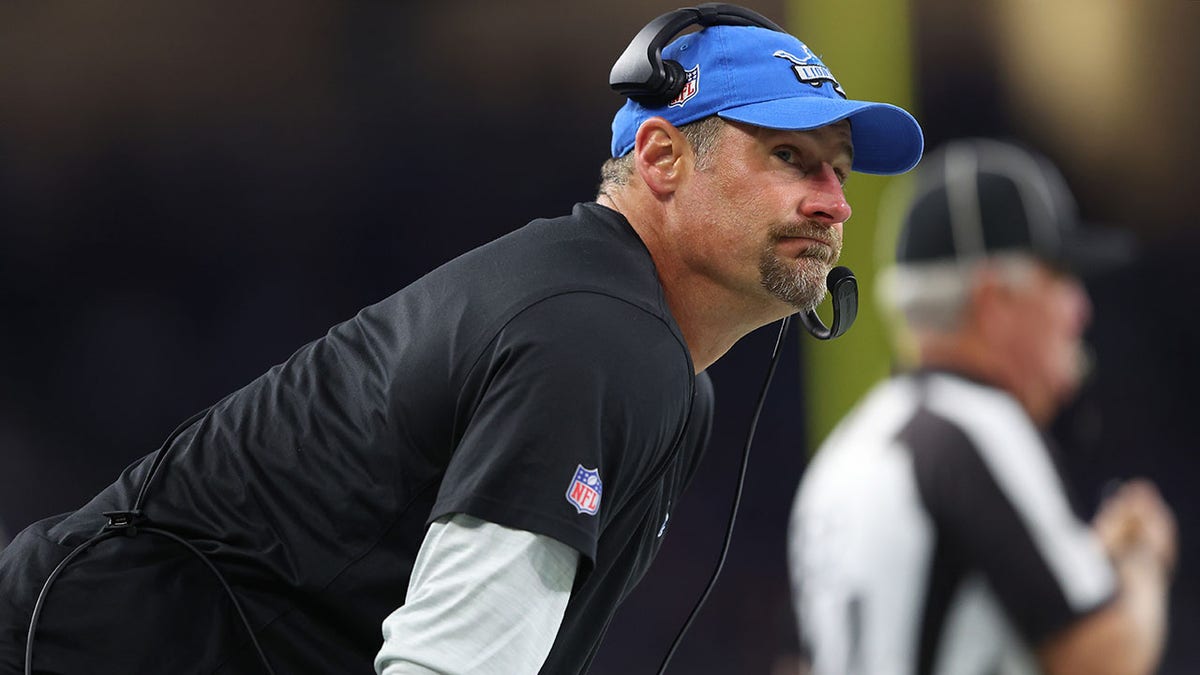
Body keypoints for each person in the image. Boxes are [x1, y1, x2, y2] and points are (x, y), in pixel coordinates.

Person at [0, 8, 922, 675]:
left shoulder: (619, 331)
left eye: (838, 172)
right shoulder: (596, 335)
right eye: (789, 157)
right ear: (660, 159)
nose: (834, 202)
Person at [787, 138, 1177, 675]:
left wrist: (1087, 556)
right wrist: (1141, 562)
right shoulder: (978, 425)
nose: (1080, 310)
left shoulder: (849, 450)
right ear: (994, 301)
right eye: (1061, 278)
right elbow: (1102, 657)